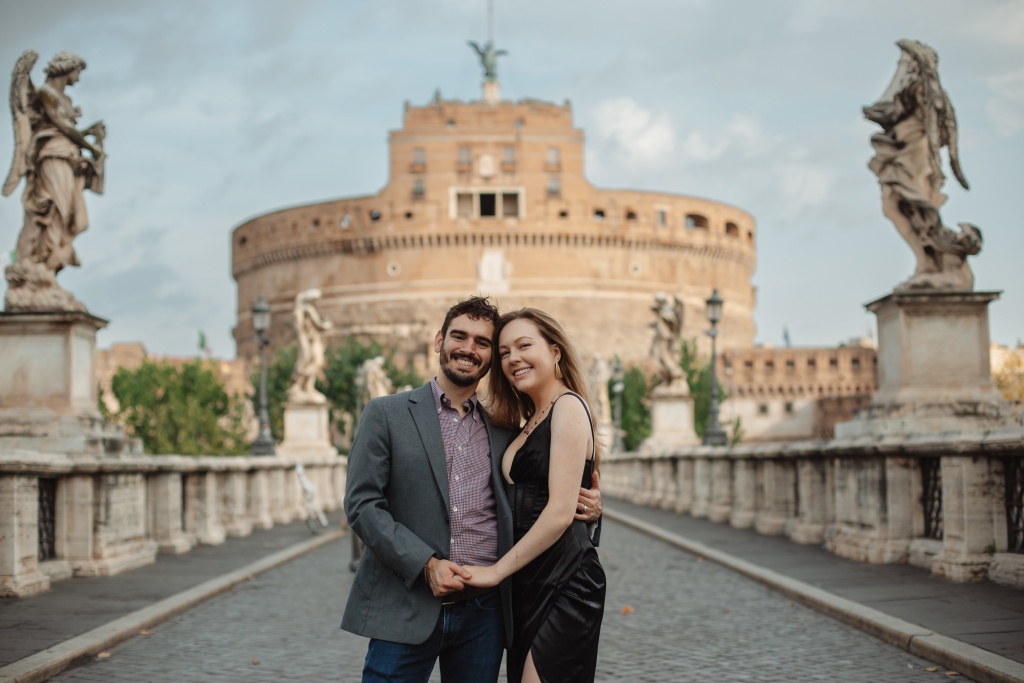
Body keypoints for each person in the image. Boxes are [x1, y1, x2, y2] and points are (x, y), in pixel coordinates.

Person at [343, 296, 602, 683]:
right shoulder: (386, 413)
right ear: (439, 340)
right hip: (406, 604)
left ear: (489, 359)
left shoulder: (505, 429)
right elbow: (362, 505)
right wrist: (426, 564)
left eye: (483, 343)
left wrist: (591, 506)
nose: (469, 349)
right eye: (459, 336)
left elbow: (548, 488)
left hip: (485, 613)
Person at [463, 308, 605, 683]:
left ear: (555, 351)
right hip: (527, 581)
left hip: (566, 578)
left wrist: (495, 572)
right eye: (505, 352)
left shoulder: (568, 406)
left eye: (524, 346)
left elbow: (559, 512)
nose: (514, 358)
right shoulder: (527, 421)